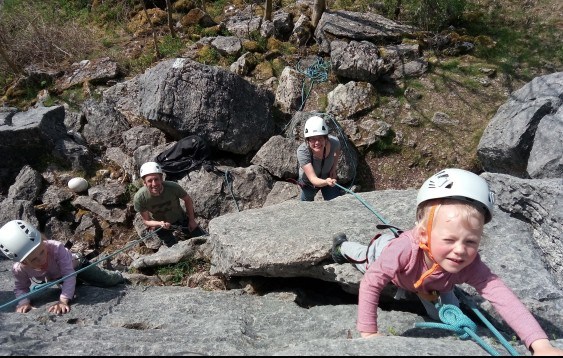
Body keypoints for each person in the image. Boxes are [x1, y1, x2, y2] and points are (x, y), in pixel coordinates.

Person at [331, 168, 563, 356]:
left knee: (441, 313)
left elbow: (502, 297)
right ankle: (342, 247)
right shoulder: (403, 249)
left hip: (431, 285)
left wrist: (540, 344)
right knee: (363, 256)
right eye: (449, 239)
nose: (460, 251)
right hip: (386, 258)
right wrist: (369, 333)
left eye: (471, 241)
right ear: (423, 234)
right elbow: (373, 282)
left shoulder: (470, 263)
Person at [0, 219, 125, 315]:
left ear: (42, 239)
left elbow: (69, 274)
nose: (41, 258)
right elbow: (21, 287)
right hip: (56, 278)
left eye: (42, 252)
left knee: (106, 280)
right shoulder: (19, 268)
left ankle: (120, 275)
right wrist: (24, 302)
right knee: (71, 288)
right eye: (33, 259)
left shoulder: (56, 247)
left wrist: (63, 300)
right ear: (23, 262)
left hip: (76, 266)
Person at [133, 161, 205, 247]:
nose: (154, 184)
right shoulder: (140, 198)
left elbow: (187, 200)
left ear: (161, 178)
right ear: (144, 183)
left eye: (156, 179)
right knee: (173, 248)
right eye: (149, 181)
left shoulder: (173, 187)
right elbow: (147, 221)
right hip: (160, 225)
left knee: (204, 238)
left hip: (179, 218)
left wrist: (192, 220)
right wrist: (159, 224)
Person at [296, 115, 342, 201]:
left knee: (335, 204)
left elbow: (337, 152)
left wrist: (333, 169)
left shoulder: (334, 142)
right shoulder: (303, 151)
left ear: (325, 138)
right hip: (309, 182)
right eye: (312, 139)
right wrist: (326, 182)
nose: (317, 142)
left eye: (320, 138)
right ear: (308, 140)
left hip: (327, 177)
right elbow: (313, 179)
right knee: (306, 207)